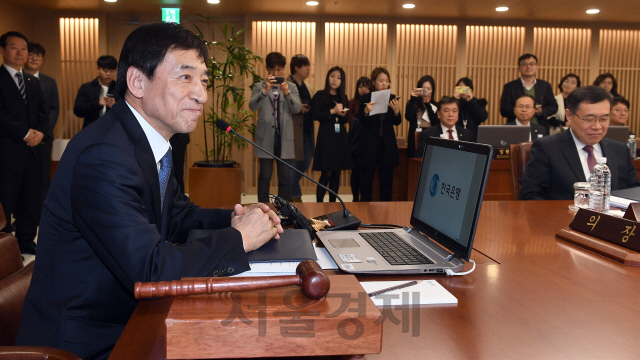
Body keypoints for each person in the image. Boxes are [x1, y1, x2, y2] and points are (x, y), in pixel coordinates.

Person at [15, 23, 283, 359]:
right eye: (185, 77)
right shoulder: (103, 155)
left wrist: (235, 219)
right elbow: (151, 270)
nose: (201, 93)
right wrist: (239, 239)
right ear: (137, 82)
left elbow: (177, 214)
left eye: (203, 80)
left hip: (126, 318)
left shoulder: (144, 142)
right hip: (89, 341)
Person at [519, 86, 640, 200]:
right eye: (589, 119)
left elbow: (633, 193)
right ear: (569, 116)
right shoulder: (547, 148)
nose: (597, 126)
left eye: (604, 119)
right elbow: (530, 195)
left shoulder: (620, 150)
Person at [0, 31, 48, 255]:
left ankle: (27, 240)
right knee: (6, 199)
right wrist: (24, 133)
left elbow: (43, 113)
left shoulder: (31, 80)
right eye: (14, 47)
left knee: (30, 199)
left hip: (33, 152)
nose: (20, 53)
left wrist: (41, 133)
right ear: (2, 51)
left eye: (24, 48)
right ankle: (5, 245)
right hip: (7, 151)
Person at [249, 52, 301, 203]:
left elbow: (297, 109)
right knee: (265, 176)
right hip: (266, 137)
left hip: (284, 137)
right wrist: (265, 91)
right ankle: (262, 208)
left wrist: (287, 93)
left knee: (285, 177)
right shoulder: (259, 86)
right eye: (272, 69)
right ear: (267, 68)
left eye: (279, 70)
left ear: (283, 69)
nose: (275, 73)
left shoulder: (291, 87)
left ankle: (283, 210)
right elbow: (252, 106)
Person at [24, 42, 60, 207]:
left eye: (38, 55)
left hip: (44, 137)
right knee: (22, 176)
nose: (34, 58)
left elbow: (54, 108)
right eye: (31, 54)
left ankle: (42, 212)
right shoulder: (17, 80)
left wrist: (43, 132)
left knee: (43, 175)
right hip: (21, 137)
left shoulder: (49, 82)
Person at [358, 67, 402, 201]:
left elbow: (397, 121)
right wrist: (366, 110)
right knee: (366, 181)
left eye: (387, 81)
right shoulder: (366, 98)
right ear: (374, 82)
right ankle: (364, 211)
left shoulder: (392, 98)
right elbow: (362, 121)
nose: (384, 84)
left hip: (387, 145)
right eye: (381, 80)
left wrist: (396, 111)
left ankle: (385, 213)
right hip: (370, 145)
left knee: (387, 181)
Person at [310, 66, 352, 202]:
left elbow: (346, 119)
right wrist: (332, 111)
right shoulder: (320, 95)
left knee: (336, 173)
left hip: (340, 138)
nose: (335, 80)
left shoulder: (343, 97)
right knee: (326, 173)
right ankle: (319, 205)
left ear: (342, 81)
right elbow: (315, 115)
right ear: (328, 77)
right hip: (326, 137)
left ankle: (333, 205)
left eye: (339, 78)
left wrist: (343, 114)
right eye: (332, 76)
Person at [499, 53, 558, 129]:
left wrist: (540, 111)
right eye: (524, 64)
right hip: (515, 128)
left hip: (540, 127)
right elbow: (504, 110)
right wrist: (520, 110)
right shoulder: (510, 86)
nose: (528, 67)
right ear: (519, 68)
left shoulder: (545, 85)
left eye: (532, 64)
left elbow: (553, 107)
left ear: (537, 67)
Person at [288, 54, 313, 202]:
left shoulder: (308, 87)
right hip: (293, 132)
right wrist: (298, 108)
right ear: (296, 67)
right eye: (305, 65)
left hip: (308, 131)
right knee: (293, 167)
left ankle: (292, 194)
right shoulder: (287, 84)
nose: (308, 69)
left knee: (306, 163)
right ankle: (296, 199)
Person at [73, 55, 120, 129]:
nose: (108, 74)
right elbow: (78, 111)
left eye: (112, 71)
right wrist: (97, 104)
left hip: (114, 131)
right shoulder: (87, 87)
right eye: (105, 70)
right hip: (91, 129)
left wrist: (116, 106)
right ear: (98, 69)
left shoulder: (120, 89)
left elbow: (128, 113)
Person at [347, 76, 369, 202]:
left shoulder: (372, 102)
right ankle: (355, 197)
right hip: (354, 142)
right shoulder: (352, 102)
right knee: (355, 172)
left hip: (367, 142)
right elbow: (350, 118)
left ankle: (363, 197)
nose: (363, 89)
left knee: (365, 173)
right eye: (361, 87)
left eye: (366, 86)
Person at [405, 75, 437, 158]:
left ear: (433, 91)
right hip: (414, 138)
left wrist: (428, 105)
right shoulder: (412, 103)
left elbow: (436, 123)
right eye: (424, 88)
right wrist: (413, 99)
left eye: (429, 89)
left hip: (430, 139)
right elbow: (408, 117)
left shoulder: (436, 105)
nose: (426, 91)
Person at [452, 77, 488, 142]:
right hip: (455, 137)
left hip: (473, 138)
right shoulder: (453, 102)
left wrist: (471, 101)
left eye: (465, 89)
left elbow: (482, 117)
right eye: (460, 88)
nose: (462, 91)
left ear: (470, 90)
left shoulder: (477, 103)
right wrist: (455, 100)